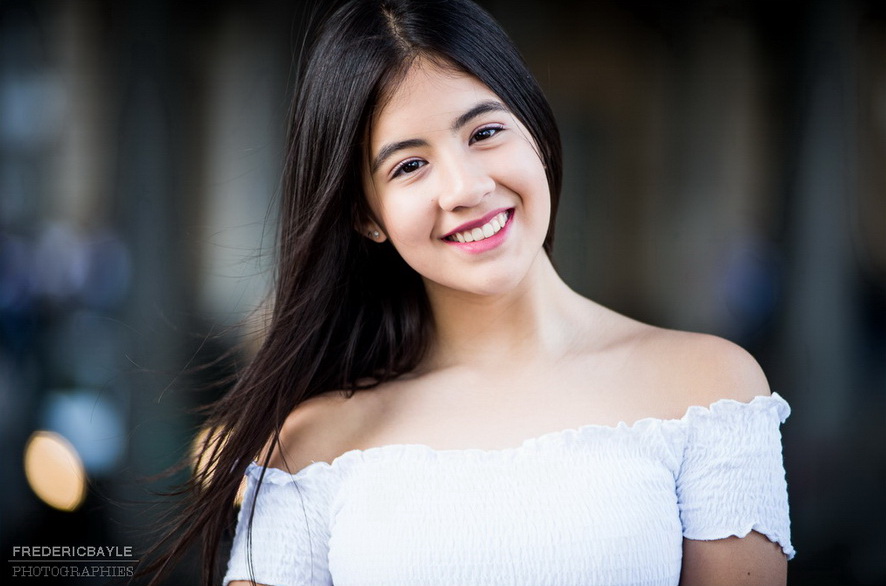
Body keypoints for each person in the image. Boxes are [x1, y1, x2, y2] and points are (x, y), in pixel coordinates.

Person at [146, 0, 794, 584]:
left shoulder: (709, 391)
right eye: (409, 165)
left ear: (536, 134)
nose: (464, 188)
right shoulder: (311, 445)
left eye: (484, 132)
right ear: (366, 214)